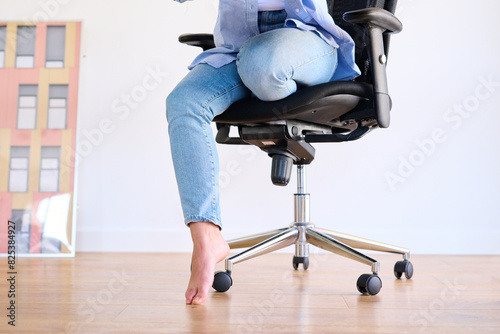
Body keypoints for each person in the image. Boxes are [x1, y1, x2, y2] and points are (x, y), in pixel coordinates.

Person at [167, 0, 360, 305]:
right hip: (238, 49)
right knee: (185, 102)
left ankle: (277, 84)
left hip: (307, 42)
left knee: (262, 63)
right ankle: (205, 236)